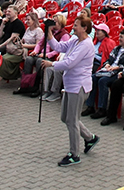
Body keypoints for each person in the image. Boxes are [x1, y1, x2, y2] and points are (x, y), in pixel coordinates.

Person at [39, 14, 100, 167]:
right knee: (65, 117)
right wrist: (49, 33)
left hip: (79, 85)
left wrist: (51, 64)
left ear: (84, 28)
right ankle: (89, 137)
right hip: (70, 84)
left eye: (76, 25)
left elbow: (70, 63)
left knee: (72, 120)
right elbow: (59, 47)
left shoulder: (86, 44)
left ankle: (74, 153)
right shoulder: (74, 39)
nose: (73, 27)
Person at [83, 29, 124, 119]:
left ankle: (102, 108)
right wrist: (107, 64)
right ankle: (90, 106)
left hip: (118, 72)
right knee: (93, 78)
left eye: (121, 37)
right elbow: (109, 59)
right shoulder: (117, 48)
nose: (119, 39)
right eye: (119, 37)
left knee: (103, 81)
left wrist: (117, 67)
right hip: (109, 70)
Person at [0, 12, 44, 82]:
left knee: (6, 60)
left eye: (28, 20)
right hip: (20, 48)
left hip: (27, 51)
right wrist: (18, 42)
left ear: (34, 20)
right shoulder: (28, 29)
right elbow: (23, 40)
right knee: (3, 57)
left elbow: (37, 45)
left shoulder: (38, 31)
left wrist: (23, 45)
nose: (27, 21)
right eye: (26, 20)